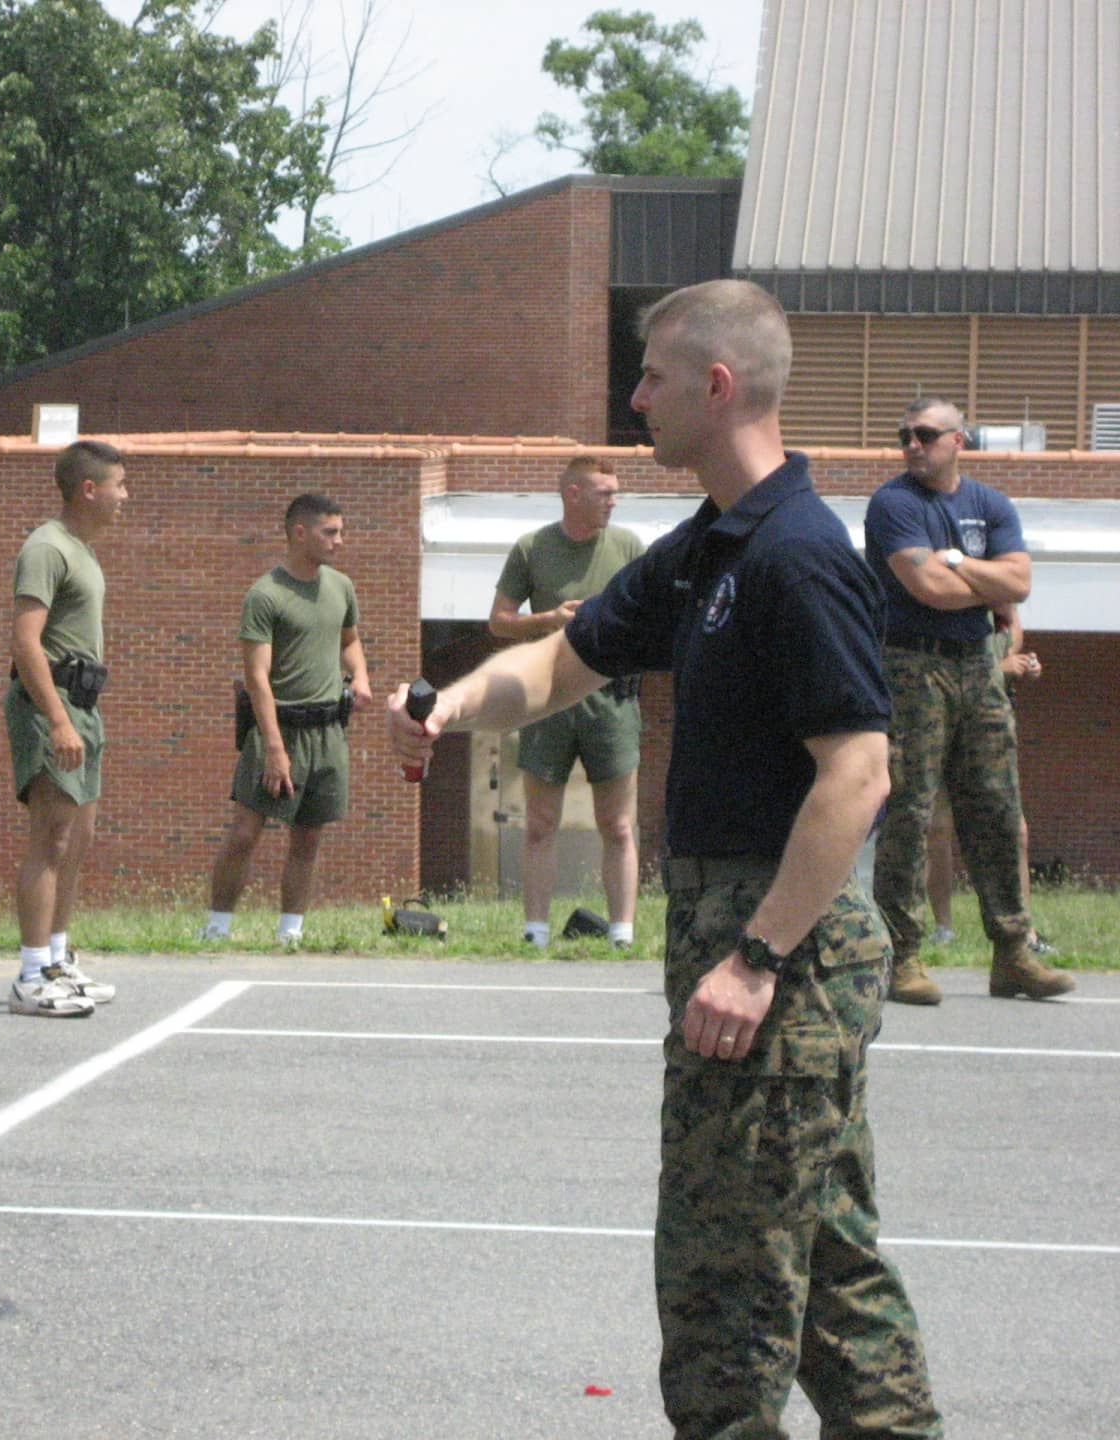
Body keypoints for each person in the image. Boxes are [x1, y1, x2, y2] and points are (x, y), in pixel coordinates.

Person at [391, 280, 941, 1438]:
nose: (634, 397)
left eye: (649, 376)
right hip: (750, 945)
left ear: (719, 386)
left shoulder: (796, 556)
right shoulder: (709, 548)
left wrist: (753, 959)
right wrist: (443, 706)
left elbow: (860, 774)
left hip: (778, 960)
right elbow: (556, 667)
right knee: (835, 1284)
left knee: (722, 1300)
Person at [863, 400, 1071, 1005]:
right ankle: (900, 956)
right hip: (910, 664)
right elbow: (926, 587)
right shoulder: (894, 503)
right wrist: (981, 578)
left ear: (960, 441)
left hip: (979, 664)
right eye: (904, 436)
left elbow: (1022, 585)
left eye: (925, 435)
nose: (912, 445)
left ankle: (1013, 953)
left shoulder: (990, 504)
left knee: (997, 808)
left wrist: (958, 564)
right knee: (910, 810)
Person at [199, 494, 373, 948]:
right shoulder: (266, 594)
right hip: (280, 729)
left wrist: (362, 676)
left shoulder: (341, 587)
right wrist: (274, 748)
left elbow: (349, 639)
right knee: (245, 832)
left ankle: (290, 932)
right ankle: (216, 928)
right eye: (329, 532)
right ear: (300, 533)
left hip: (328, 730)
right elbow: (256, 678)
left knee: (308, 836)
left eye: (340, 530)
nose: (339, 541)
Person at [488, 457, 644, 949]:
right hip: (549, 700)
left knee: (617, 824)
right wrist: (550, 618)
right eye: (604, 493)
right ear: (571, 494)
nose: (613, 502)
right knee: (539, 823)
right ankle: (535, 932)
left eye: (615, 493)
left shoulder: (629, 547)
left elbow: (652, 617)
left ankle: (622, 933)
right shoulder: (532, 548)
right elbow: (499, 621)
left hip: (611, 700)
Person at [6, 440, 128, 1017]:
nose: (124, 497)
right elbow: (26, 641)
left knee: (77, 841)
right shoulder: (46, 548)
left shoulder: (82, 550)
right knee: (50, 840)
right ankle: (31, 976)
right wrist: (57, 718)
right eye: (119, 486)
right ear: (89, 489)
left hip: (86, 705)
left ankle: (57, 959)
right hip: (52, 705)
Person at [923, 608, 1048, 949]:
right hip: (946, 722)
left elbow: (1009, 653)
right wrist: (1001, 669)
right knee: (938, 828)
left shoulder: (1006, 614)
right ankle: (942, 928)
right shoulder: (957, 608)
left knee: (1014, 829)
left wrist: (1024, 666)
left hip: (991, 725)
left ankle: (1024, 932)